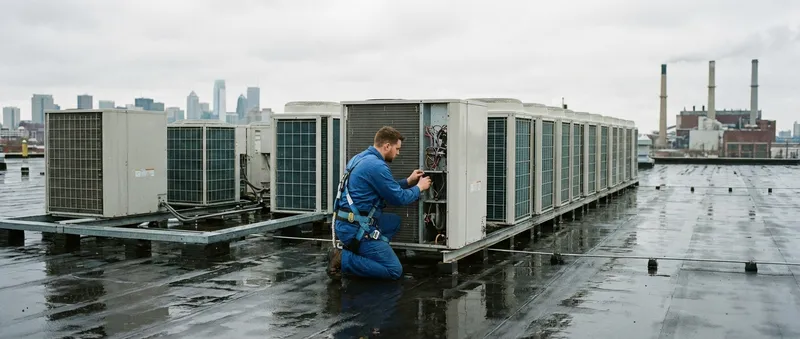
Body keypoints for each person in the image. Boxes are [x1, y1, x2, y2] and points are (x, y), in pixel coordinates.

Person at [327, 126, 432, 281]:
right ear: (387, 146)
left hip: (346, 222)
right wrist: (419, 188)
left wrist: (408, 181)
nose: (398, 153)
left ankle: (367, 253)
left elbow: (385, 188)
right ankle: (343, 258)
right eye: (397, 149)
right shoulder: (376, 166)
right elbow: (398, 198)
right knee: (394, 271)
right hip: (356, 229)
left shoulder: (360, 158)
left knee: (394, 221)